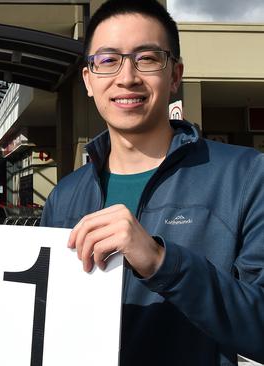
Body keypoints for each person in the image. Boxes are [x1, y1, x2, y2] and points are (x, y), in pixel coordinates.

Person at [40, 0, 264, 365]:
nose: (127, 77)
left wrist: (161, 261)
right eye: (108, 60)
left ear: (175, 75)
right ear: (88, 80)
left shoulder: (246, 176)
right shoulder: (65, 196)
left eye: (147, 58)